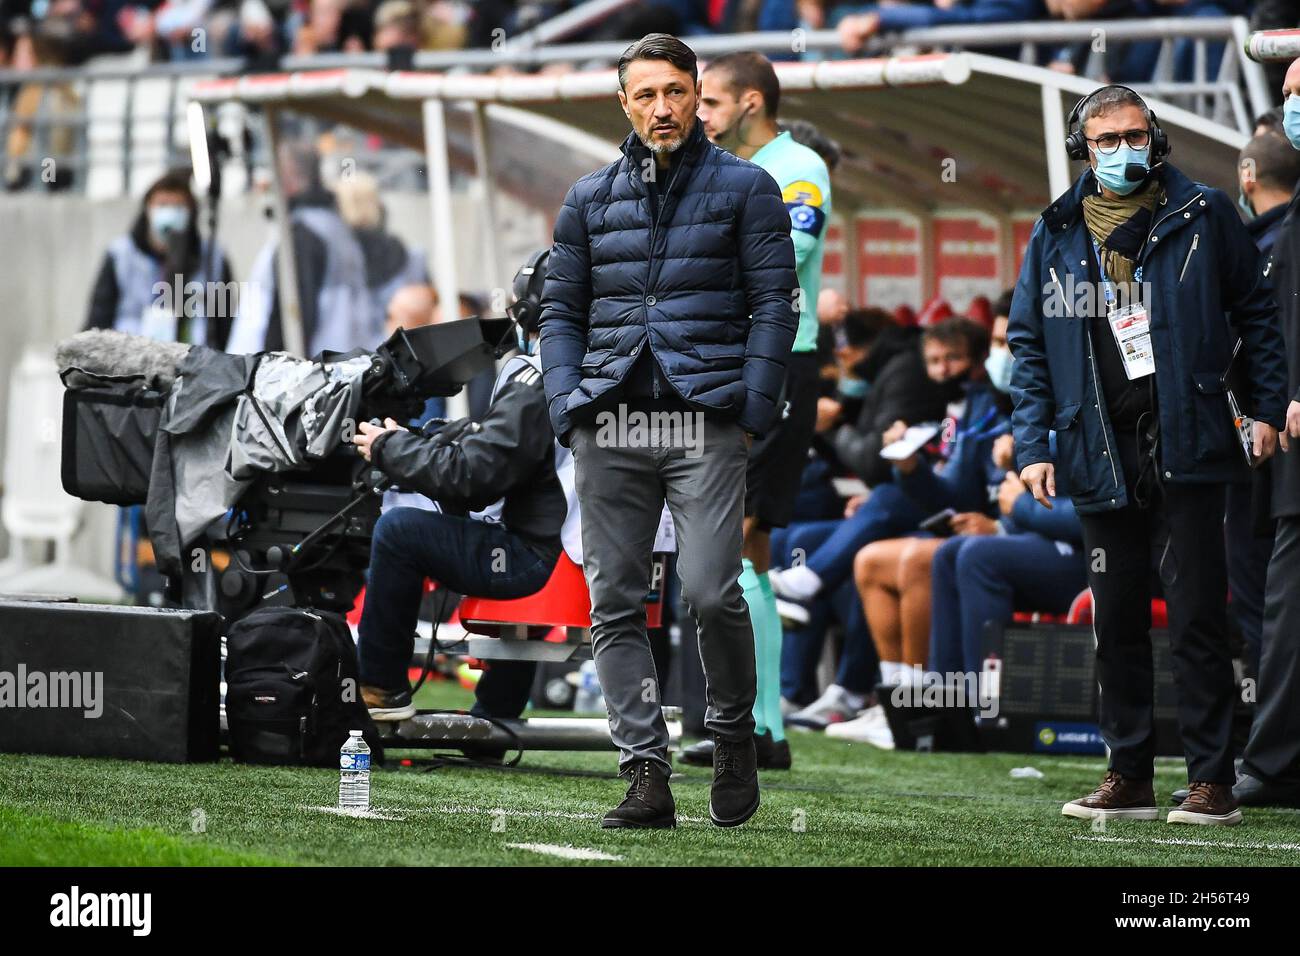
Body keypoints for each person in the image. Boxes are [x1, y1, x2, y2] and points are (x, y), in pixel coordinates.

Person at [1009, 84, 1288, 827]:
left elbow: (1257, 314)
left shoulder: (1204, 214)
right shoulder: (1057, 230)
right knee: (1117, 618)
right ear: (1083, 148)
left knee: (1199, 615)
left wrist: (1263, 408)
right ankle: (1128, 773)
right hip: (1099, 447)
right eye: (1106, 140)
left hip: (1192, 439)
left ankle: (1212, 781)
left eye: (1135, 135)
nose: (1123, 150)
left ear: (1156, 139)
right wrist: (1033, 443)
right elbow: (1028, 344)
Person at [540, 33, 797, 829]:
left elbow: (775, 305)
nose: (662, 107)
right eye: (645, 94)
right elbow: (559, 311)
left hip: (707, 421)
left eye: (676, 91)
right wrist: (566, 404)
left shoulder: (749, 188)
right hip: (608, 422)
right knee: (613, 604)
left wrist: (752, 411)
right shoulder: (587, 197)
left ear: (696, 96)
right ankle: (645, 772)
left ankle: (730, 736)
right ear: (623, 103)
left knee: (713, 591)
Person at [673, 50, 832, 772]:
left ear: (751, 103)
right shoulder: (722, 170)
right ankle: (763, 728)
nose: (696, 113)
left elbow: (792, 245)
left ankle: (755, 724)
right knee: (751, 546)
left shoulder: (797, 163)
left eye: (708, 101)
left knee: (737, 536)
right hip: (735, 360)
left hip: (781, 361)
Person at [353, 252, 569, 730]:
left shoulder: (539, 380)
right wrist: (419, 441)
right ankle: (496, 711)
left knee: (398, 530)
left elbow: (471, 478)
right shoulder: (601, 369)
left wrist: (389, 449)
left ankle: (380, 688)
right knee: (513, 527)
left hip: (541, 562)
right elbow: (493, 447)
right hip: (593, 557)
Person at [1228, 56, 1300, 807]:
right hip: (1267, 452)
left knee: (1273, 609)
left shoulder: (1265, 250)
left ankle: (1273, 761)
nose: (1287, 104)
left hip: (1272, 452)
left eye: (1293, 94)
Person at [226, 142, 374, 356]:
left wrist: (271, 369)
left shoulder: (302, 236)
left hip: (305, 371)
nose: (267, 183)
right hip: (336, 365)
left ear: (291, 175)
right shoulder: (333, 227)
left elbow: (291, 314)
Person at [85, 168, 236, 348]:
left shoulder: (212, 257)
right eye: (163, 205)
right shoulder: (120, 255)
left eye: (178, 207)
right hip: (131, 362)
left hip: (194, 360)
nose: (170, 213)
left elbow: (225, 323)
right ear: (148, 209)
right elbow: (98, 318)